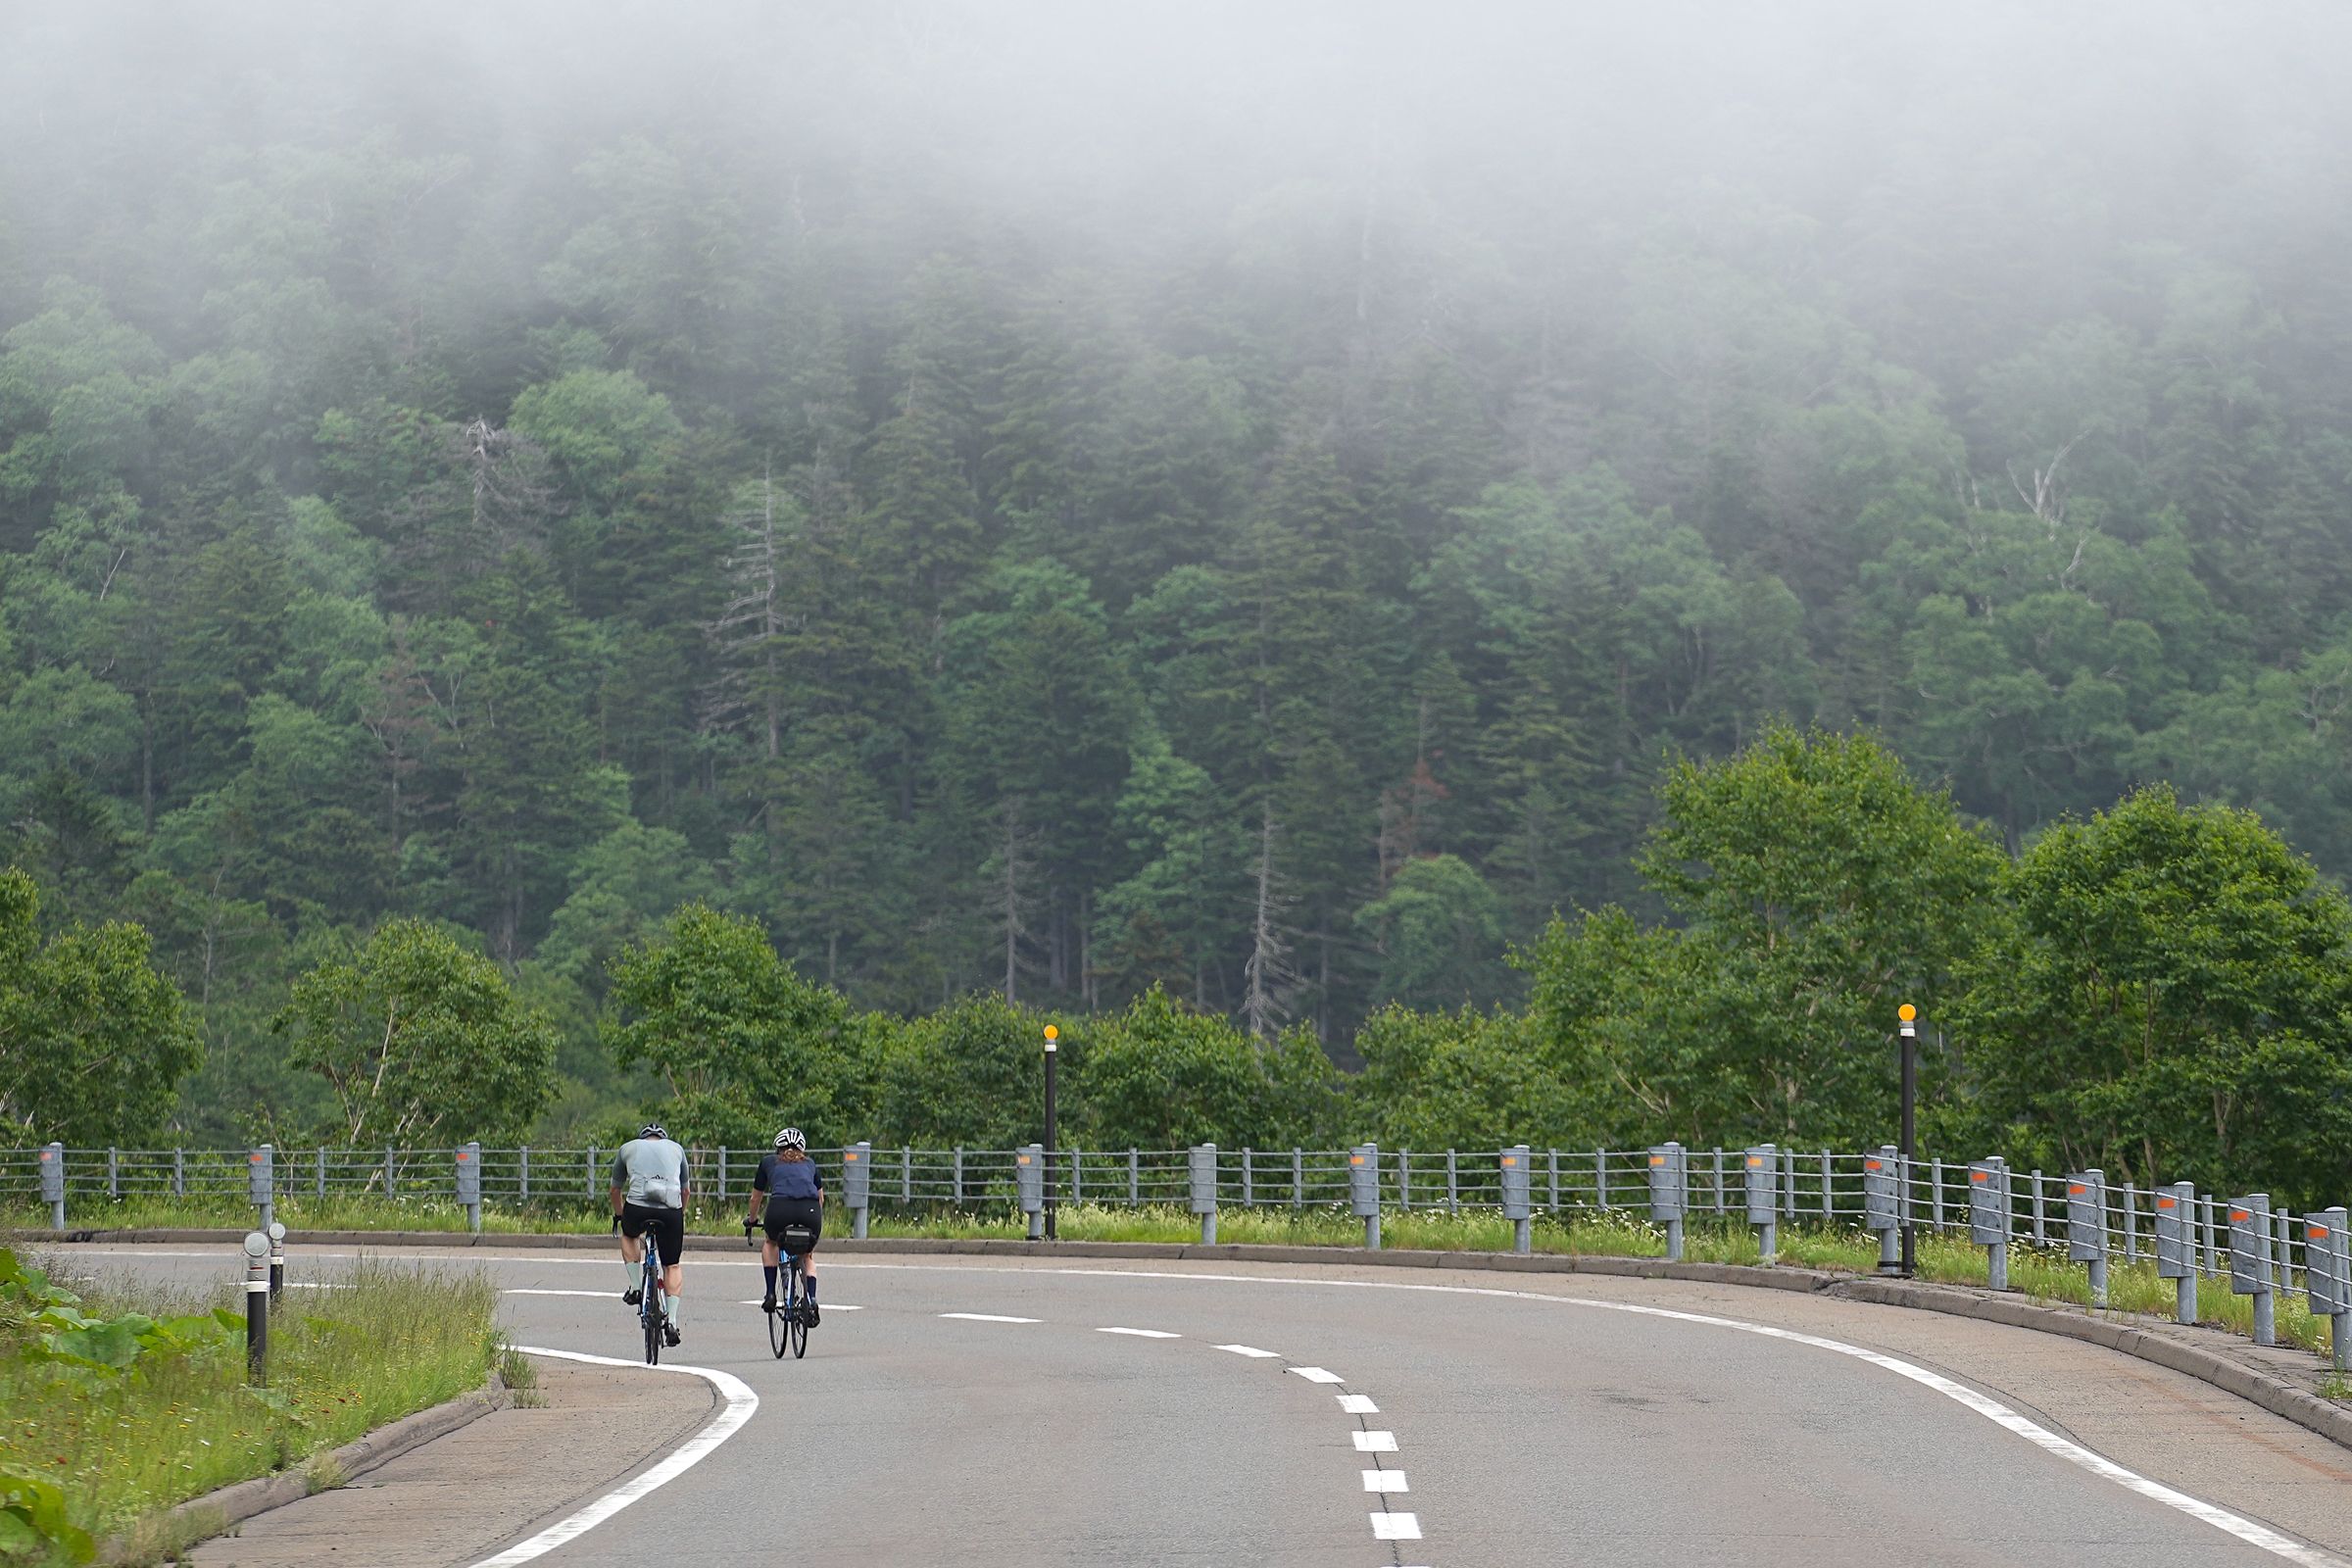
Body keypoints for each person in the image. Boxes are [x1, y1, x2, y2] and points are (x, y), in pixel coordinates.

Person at [611, 1122, 690, 1347]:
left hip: (637, 1209)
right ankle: (672, 1321)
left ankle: (636, 1286)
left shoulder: (627, 1148)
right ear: (663, 1139)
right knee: (672, 1265)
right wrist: (679, 1215)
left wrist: (620, 1215)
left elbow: (614, 1190)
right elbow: (686, 1191)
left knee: (629, 1235)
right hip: (671, 1211)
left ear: (642, 1138)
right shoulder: (677, 1149)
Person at [745, 1126, 823, 1324]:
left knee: (771, 1243)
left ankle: (771, 1293)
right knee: (807, 1254)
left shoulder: (769, 1162)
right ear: (802, 1148)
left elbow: (756, 1198)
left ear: (778, 1147)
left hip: (780, 1209)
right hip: (810, 1211)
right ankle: (811, 1299)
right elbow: (820, 1198)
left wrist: (752, 1219)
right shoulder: (810, 1164)